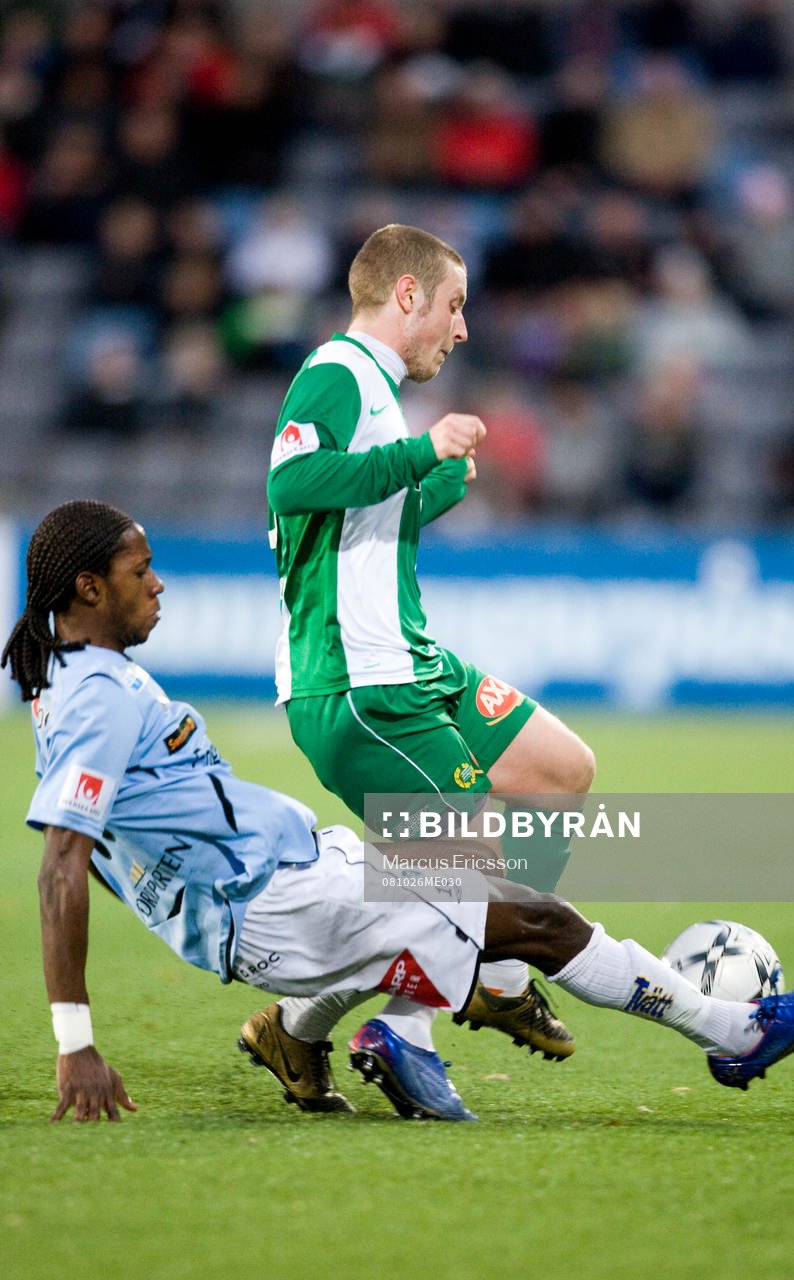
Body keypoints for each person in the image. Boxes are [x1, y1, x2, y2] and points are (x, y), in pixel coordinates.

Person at [2, 501, 794, 1122]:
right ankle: (733, 1032)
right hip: (272, 901)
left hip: (284, 884)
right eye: (138, 571)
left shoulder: (66, 688)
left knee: (471, 899)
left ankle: (302, 1034)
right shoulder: (98, 701)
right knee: (530, 916)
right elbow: (63, 869)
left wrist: (184, 913)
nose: (160, 583)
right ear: (85, 588)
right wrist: (75, 1041)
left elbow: (112, 855)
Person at [262, 223, 597, 1101]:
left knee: (559, 771)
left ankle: (496, 983)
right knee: (463, 868)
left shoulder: (374, 388)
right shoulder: (336, 373)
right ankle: (376, 1024)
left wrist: (432, 485)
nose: (460, 328)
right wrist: (420, 454)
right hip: (356, 672)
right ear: (405, 296)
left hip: (413, 653)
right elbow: (291, 486)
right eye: (453, 306)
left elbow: (356, 522)